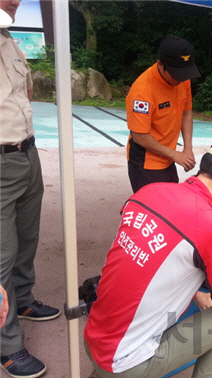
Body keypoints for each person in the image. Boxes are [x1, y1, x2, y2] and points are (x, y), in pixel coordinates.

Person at [84, 136, 212, 378]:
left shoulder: (149, 192)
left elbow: (157, 258)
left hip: (94, 338)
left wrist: (196, 292)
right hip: (125, 364)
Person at [1, 1, 60, 377]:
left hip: (26, 150)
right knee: (2, 254)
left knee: (27, 237)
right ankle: (7, 345)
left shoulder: (8, 39)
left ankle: (23, 300)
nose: (15, 2)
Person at [126, 36, 200, 192]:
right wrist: (175, 155)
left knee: (170, 206)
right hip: (146, 162)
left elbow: (186, 113)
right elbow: (140, 136)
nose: (181, 79)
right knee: (152, 209)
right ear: (160, 64)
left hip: (168, 158)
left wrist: (187, 148)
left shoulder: (182, 78)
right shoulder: (142, 91)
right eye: (176, 74)